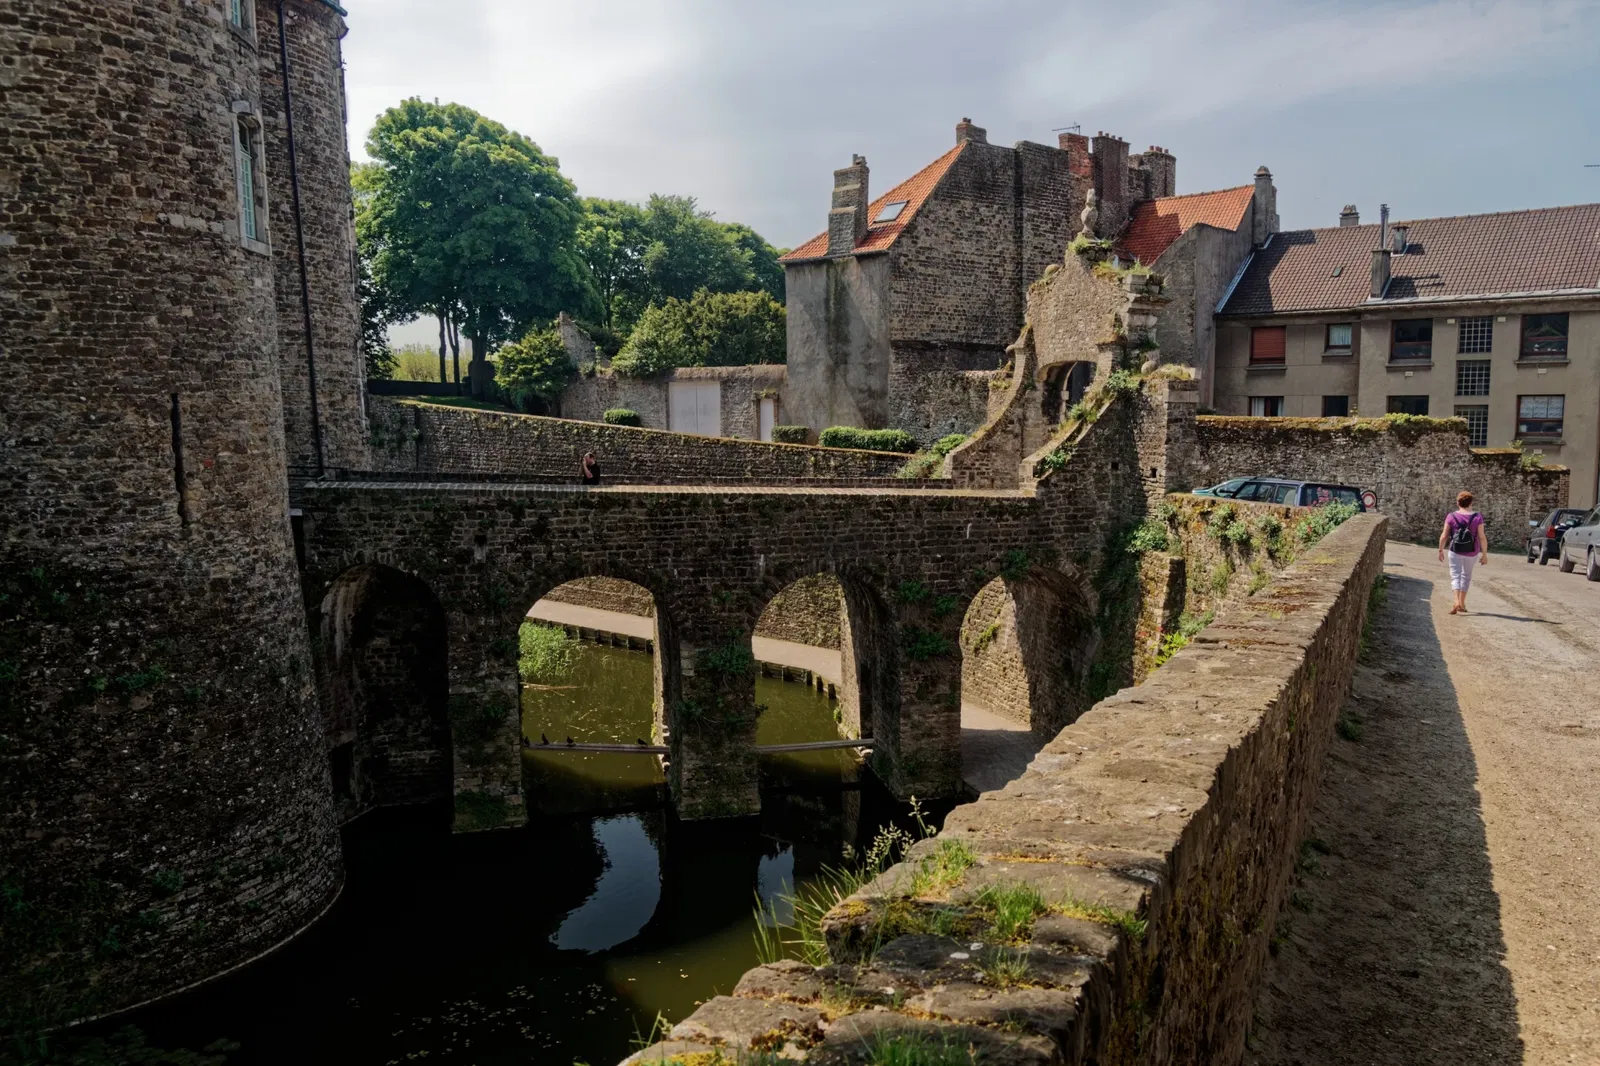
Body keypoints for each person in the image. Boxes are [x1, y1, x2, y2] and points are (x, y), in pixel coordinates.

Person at [1438, 490, 1488, 614]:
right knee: (1466, 576)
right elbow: (1482, 537)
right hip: (1472, 551)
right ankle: (1462, 603)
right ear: (1471, 502)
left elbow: (1444, 535)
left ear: (1457, 503)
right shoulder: (1477, 517)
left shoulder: (1451, 516)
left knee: (1455, 575)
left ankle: (1455, 601)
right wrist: (1485, 554)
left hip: (1455, 550)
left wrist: (1440, 550)